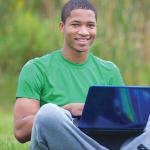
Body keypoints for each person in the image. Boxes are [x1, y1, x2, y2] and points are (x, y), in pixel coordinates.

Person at [13, 0, 150, 150]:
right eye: (76, 24)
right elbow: (20, 131)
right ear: (62, 27)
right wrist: (68, 111)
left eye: (90, 25)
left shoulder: (110, 71)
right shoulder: (36, 68)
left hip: (102, 140)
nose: (84, 32)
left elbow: (124, 124)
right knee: (48, 113)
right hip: (60, 140)